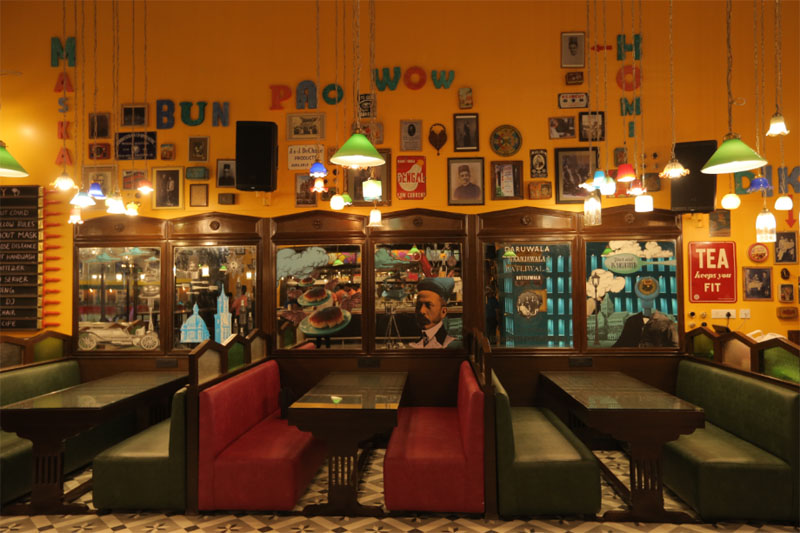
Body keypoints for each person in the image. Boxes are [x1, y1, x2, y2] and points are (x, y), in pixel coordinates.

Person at [409, 277, 456, 348]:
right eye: (419, 305)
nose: (422, 311)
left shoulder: (449, 344)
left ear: (443, 312)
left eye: (428, 305)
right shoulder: (418, 342)